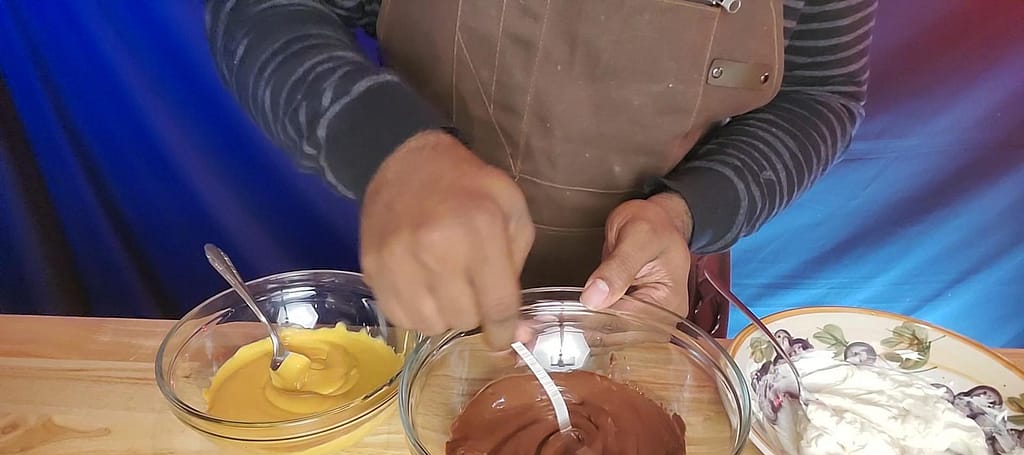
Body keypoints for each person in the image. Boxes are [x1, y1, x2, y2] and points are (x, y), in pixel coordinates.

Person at [204, 0, 877, 348]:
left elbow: (820, 92)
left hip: (658, 299)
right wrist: (391, 152)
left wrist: (686, 211)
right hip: (433, 285)